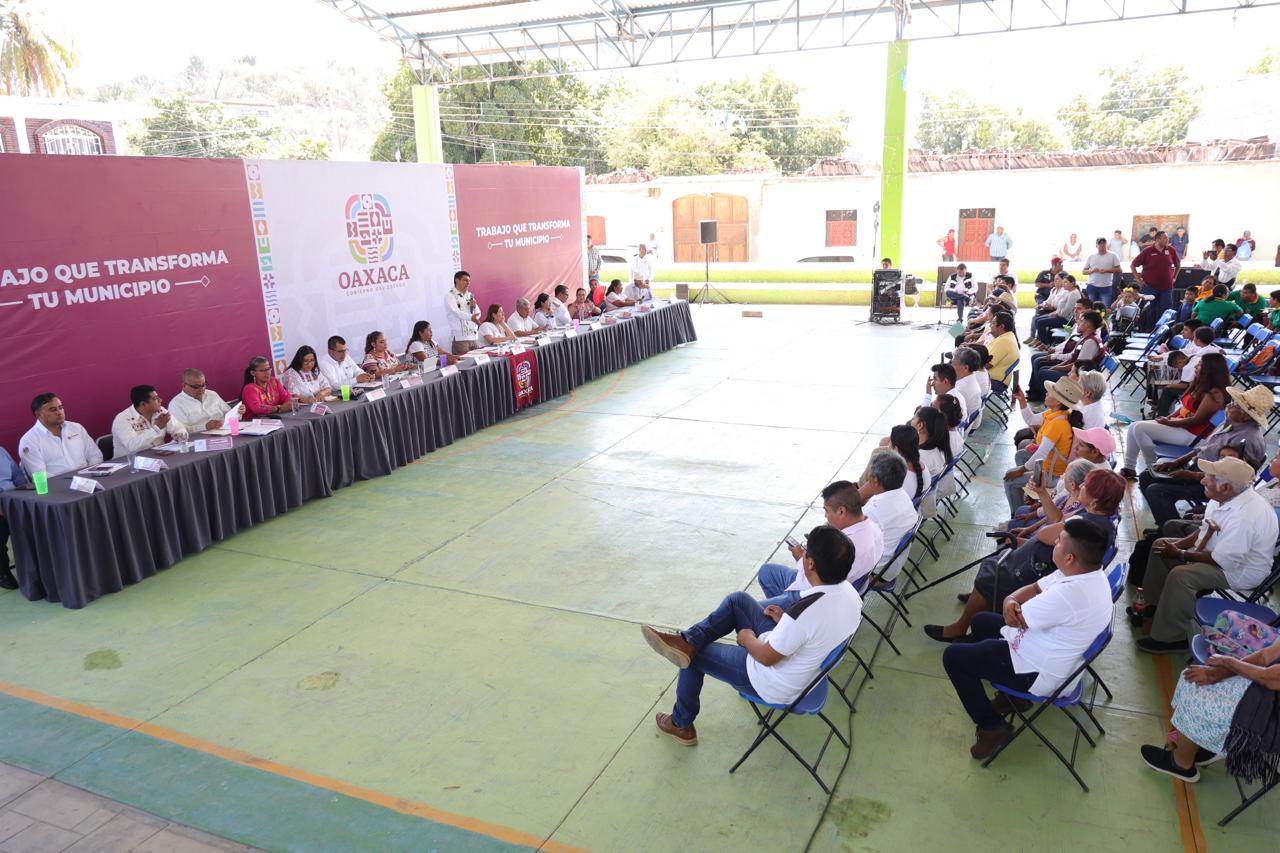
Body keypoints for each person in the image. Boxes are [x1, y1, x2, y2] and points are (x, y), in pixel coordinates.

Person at [639, 524, 861, 746]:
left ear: (810, 563)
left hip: (773, 681)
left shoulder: (804, 613)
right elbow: (814, 631)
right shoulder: (851, 595)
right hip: (805, 668)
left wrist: (747, 639)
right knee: (737, 601)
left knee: (693, 656)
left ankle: (681, 723)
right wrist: (784, 621)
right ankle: (687, 641)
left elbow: (766, 657)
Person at [940, 517, 1114, 759]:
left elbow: (1015, 619)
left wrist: (1010, 603)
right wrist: (1010, 599)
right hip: (1049, 652)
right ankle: (1011, 697)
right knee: (980, 621)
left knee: (954, 657)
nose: (1054, 542)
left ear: (1069, 558)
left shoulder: (1069, 594)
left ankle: (991, 726)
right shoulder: (1086, 573)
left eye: (1059, 541)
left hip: (1039, 672)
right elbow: (1034, 589)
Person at [931, 468, 1122, 645]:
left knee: (991, 571)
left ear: (1095, 501)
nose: (1081, 486)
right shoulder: (1102, 518)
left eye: (1086, 485)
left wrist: (1032, 539)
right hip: (1045, 562)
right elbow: (1055, 522)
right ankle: (981, 600)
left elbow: (1045, 534)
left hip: (1042, 569)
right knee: (993, 563)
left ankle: (961, 626)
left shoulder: (1085, 524)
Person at [1136, 458, 1279, 654]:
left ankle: (1171, 639)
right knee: (1160, 546)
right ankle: (1154, 606)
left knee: (1182, 576)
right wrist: (1176, 546)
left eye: (1209, 477)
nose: (1203, 480)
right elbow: (1204, 530)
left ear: (1226, 487)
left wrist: (1181, 554)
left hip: (1239, 570)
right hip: (1220, 552)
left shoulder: (1245, 517)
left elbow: (1223, 561)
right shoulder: (1224, 497)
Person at [1140, 633, 1280, 783]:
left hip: (1273, 715)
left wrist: (1228, 663)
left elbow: (1271, 678)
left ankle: (1181, 764)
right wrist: (1220, 672)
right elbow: (1264, 656)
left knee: (1197, 699)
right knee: (1190, 678)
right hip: (1265, 690)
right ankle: (1197, 744)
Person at [1138, 385, 1271, 528]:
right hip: (1198, 469)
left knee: (1157, 491)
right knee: (1146, 476)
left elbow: (1228, 478)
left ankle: (1175, 530)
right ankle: (1166, 524)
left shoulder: (1247, 440)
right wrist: (1177, 462)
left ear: (1247, 415)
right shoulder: (1231, 422)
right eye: (1233, 401)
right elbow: (1203, 448)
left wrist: (1190, 475)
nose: (1230, 404)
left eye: (1236, 405)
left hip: (1211, 483)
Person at [757, 481, 885, 608]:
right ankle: (783, 609)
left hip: (811, 596)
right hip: (848, 589)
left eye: (827, 511)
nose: (825, 516)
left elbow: (817, 583)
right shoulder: (875, 529)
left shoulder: (844, 548)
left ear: (841, 511)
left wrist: (801, 559)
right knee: (766, 571)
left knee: (747, 609)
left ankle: (789, 612)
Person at [1119, 353, 1230, 479]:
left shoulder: (1214, 394)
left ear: (1210, 370)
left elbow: (1196, 420)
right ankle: (1129, 468)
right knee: (1133, 426)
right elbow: (1184, 408)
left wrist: (1169, 422)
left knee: (1140, 429)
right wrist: (1168, 418)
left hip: (1194, 435)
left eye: (1199, 365)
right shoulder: (1199, 384)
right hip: (1183, 426)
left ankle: (1152, 467)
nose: (1195, 367)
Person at [1002, 376, 1081, 513]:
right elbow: (1031, 419)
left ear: (1058, 401)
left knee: (1009, 481)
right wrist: (1022, 399)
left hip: (1052, 475)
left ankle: (1016, 514)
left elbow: (1041, 454)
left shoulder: (1057, 424)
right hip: (1050, 464)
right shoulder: (1057, 413)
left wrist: (1021, 470)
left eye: (1050, 392)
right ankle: (1027, 495)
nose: (1046, 393)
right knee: (1021, 455)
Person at [862, 450, 919, 582]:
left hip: (877, 573)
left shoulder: (872, 510)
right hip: (893, 565)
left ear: (875, 480)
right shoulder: (903, 495)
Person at [18, 393, 102, 477]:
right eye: (53, 410)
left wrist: (91, 474)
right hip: (57, 483)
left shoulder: (76, 427)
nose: (59, 412)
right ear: (38, 415)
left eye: (60, 407)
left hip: (89, 477)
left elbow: (95, 455)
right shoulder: (29, 441)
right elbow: (39, 475)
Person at [1027, 311, 1104, 398]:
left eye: (1081, 320)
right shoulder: (1084, 338)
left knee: (1043, 372)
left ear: (1088, 324)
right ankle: (1038, 395)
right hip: (1073, 371)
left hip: (1078, 378)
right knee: (1043, 367)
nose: (1078, 323)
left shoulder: (1090, 342)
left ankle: (1047, 398)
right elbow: (1072, 357)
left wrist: (1058, 368)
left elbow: (1079, 365)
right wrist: (1057, 366)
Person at [111, 385, 188, 457]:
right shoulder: (122, 419)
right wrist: (156, 428)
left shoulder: (160, 411)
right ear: (143, 404)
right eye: (155, 398)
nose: (160, 400)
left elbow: (178, 428)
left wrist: (180, 435)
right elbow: (132, 447)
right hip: (129, 461)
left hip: (158, 456)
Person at [167, 368, 244, 434]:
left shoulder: (212, 394)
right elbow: (180, 431)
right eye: (196, 386)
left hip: (225, 431)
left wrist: (238, 412)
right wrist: (205, 426)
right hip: (198, 438)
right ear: (184, 385)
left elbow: (229, 413)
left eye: (203, 385)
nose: (201, 389)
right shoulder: (176, 404)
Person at [1132, 230, 1180, 329]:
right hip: (1149, 287)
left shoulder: (1171, 250)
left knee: (1166, 311)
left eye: (1167, 238)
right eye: (1165, 238)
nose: (1167, 240)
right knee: (1149, 310)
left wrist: (1174, 277)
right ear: (1157, 239)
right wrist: (1138, 279)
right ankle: (1148, 331)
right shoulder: (1147, 251)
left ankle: (1163, 332)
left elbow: (1178, 264)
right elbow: (1133, 265)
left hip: (1166, 288)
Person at [0, 446, 30, 589]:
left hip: (13, 497)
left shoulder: (1, 450)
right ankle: (2, 572)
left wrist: (23, 492)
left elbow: (17, 474)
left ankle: (37, 565)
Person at [1028, 274, 1080, 346]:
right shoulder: (1068, 291)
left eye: (1066, 282)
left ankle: (1045, 344)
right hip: (1059, 315)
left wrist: (1055, 313)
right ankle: (1040, 341)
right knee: (1037, 319)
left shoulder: (1073, 294)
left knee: (1040, 322)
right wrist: (1054, 312)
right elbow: (1060, 307)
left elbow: (1065, 312)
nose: (1063, 284)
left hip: (1066, 320)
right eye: (1063, 282)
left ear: (1072, 283)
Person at [446, 270, 482, 354]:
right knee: (465, 361)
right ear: (457, 280)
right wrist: (471, 317)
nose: (468, 283)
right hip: (460, 338)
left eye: (469, 281)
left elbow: (478, 314)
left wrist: (474, 307)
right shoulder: (450, 296)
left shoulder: (469, 295)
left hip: (473, 336)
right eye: (465, 280)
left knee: (479, 360)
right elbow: (456, 312)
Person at [1083, 237, 1122, 306]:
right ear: (1096, 245)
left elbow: (1119, 269)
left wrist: (1106, 270)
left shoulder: (1113, 255)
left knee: (1105, 307)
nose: (1102, 245)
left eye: (1104, 243)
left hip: (1106, 286)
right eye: (1100, 243)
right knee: (1091, 306)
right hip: (1092, 285)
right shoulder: (1091, 256)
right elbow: (1084, 271)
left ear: (1106, 245)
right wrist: (1092, 270)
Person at [951, 348, 985, 426]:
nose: (951, 366)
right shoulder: (971, 377)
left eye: (953, 363)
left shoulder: (960, 389)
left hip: (960, 426)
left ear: (965, 368)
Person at [986, 312, 1019, 390]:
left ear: (1001, 326)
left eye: (993, 323)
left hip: (995, 382)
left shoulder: (1003, 341)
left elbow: (987, 365)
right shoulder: (1009, 336)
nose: (990, 325)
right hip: (998, 380)